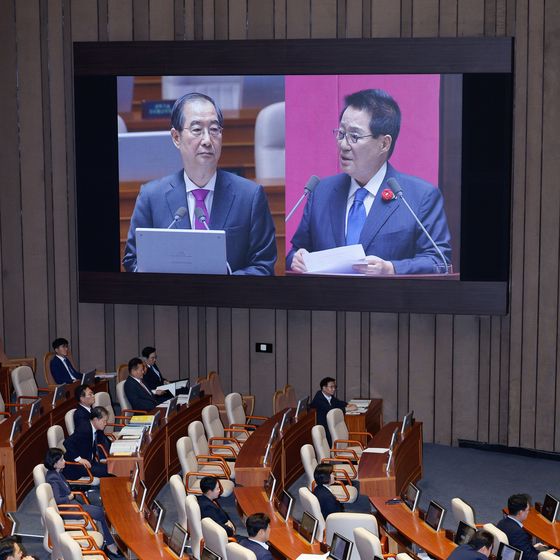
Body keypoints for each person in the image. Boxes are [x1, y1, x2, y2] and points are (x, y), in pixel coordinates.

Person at [287, 88, 451, 275]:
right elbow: (295, 252)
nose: (343, 145)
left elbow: (439, 262)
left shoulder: (420, 197)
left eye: (354, 137)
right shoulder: (321, 192)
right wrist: (296, 258)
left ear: (384, 144)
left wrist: (391, 269)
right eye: (341, 134)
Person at [122, 92, 277, 276]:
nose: (207, 140)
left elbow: (263, 266)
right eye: (197, 130)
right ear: (176, 137)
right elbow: (133, 260)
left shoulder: (250, 196)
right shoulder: (151, 197)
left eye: (214, 130)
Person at [43, 448, 123, 559]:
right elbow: (57, 500)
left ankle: (111, 542)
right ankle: (111, 546)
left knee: (101, 510)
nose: (64, 461)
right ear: (55, 464)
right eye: (61, 460)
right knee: (102, 513)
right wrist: (69, 496)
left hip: (73, 505)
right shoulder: (53, 478)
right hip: (67, 510)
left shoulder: (57, 473)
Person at [496, 494, 557, 560]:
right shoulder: (518, 533)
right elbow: (530, 558)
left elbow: (519, 546)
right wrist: (545, 554)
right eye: (528, 510)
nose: (528, 512)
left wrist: (532, 547)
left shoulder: (501, 523)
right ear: (520, 512)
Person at [63, 406, 113, 479]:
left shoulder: (95, 429)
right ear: (96, 420)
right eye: (104, 421)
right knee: (110, 470)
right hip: (77, 467)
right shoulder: (84, 429)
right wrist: (79, 459)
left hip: (90, 462)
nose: (105, 424)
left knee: (113, 467)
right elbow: (67, 443)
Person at [310, 377, 357, 446]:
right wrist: (347, 409)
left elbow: (337, 402)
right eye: (331, 387)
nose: (334, 389)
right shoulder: (319, 398)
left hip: (329, 423)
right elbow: (330, 410)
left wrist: (348, 404)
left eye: (334, 387)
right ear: (324, 388)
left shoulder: (329, 396)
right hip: (324, 426)